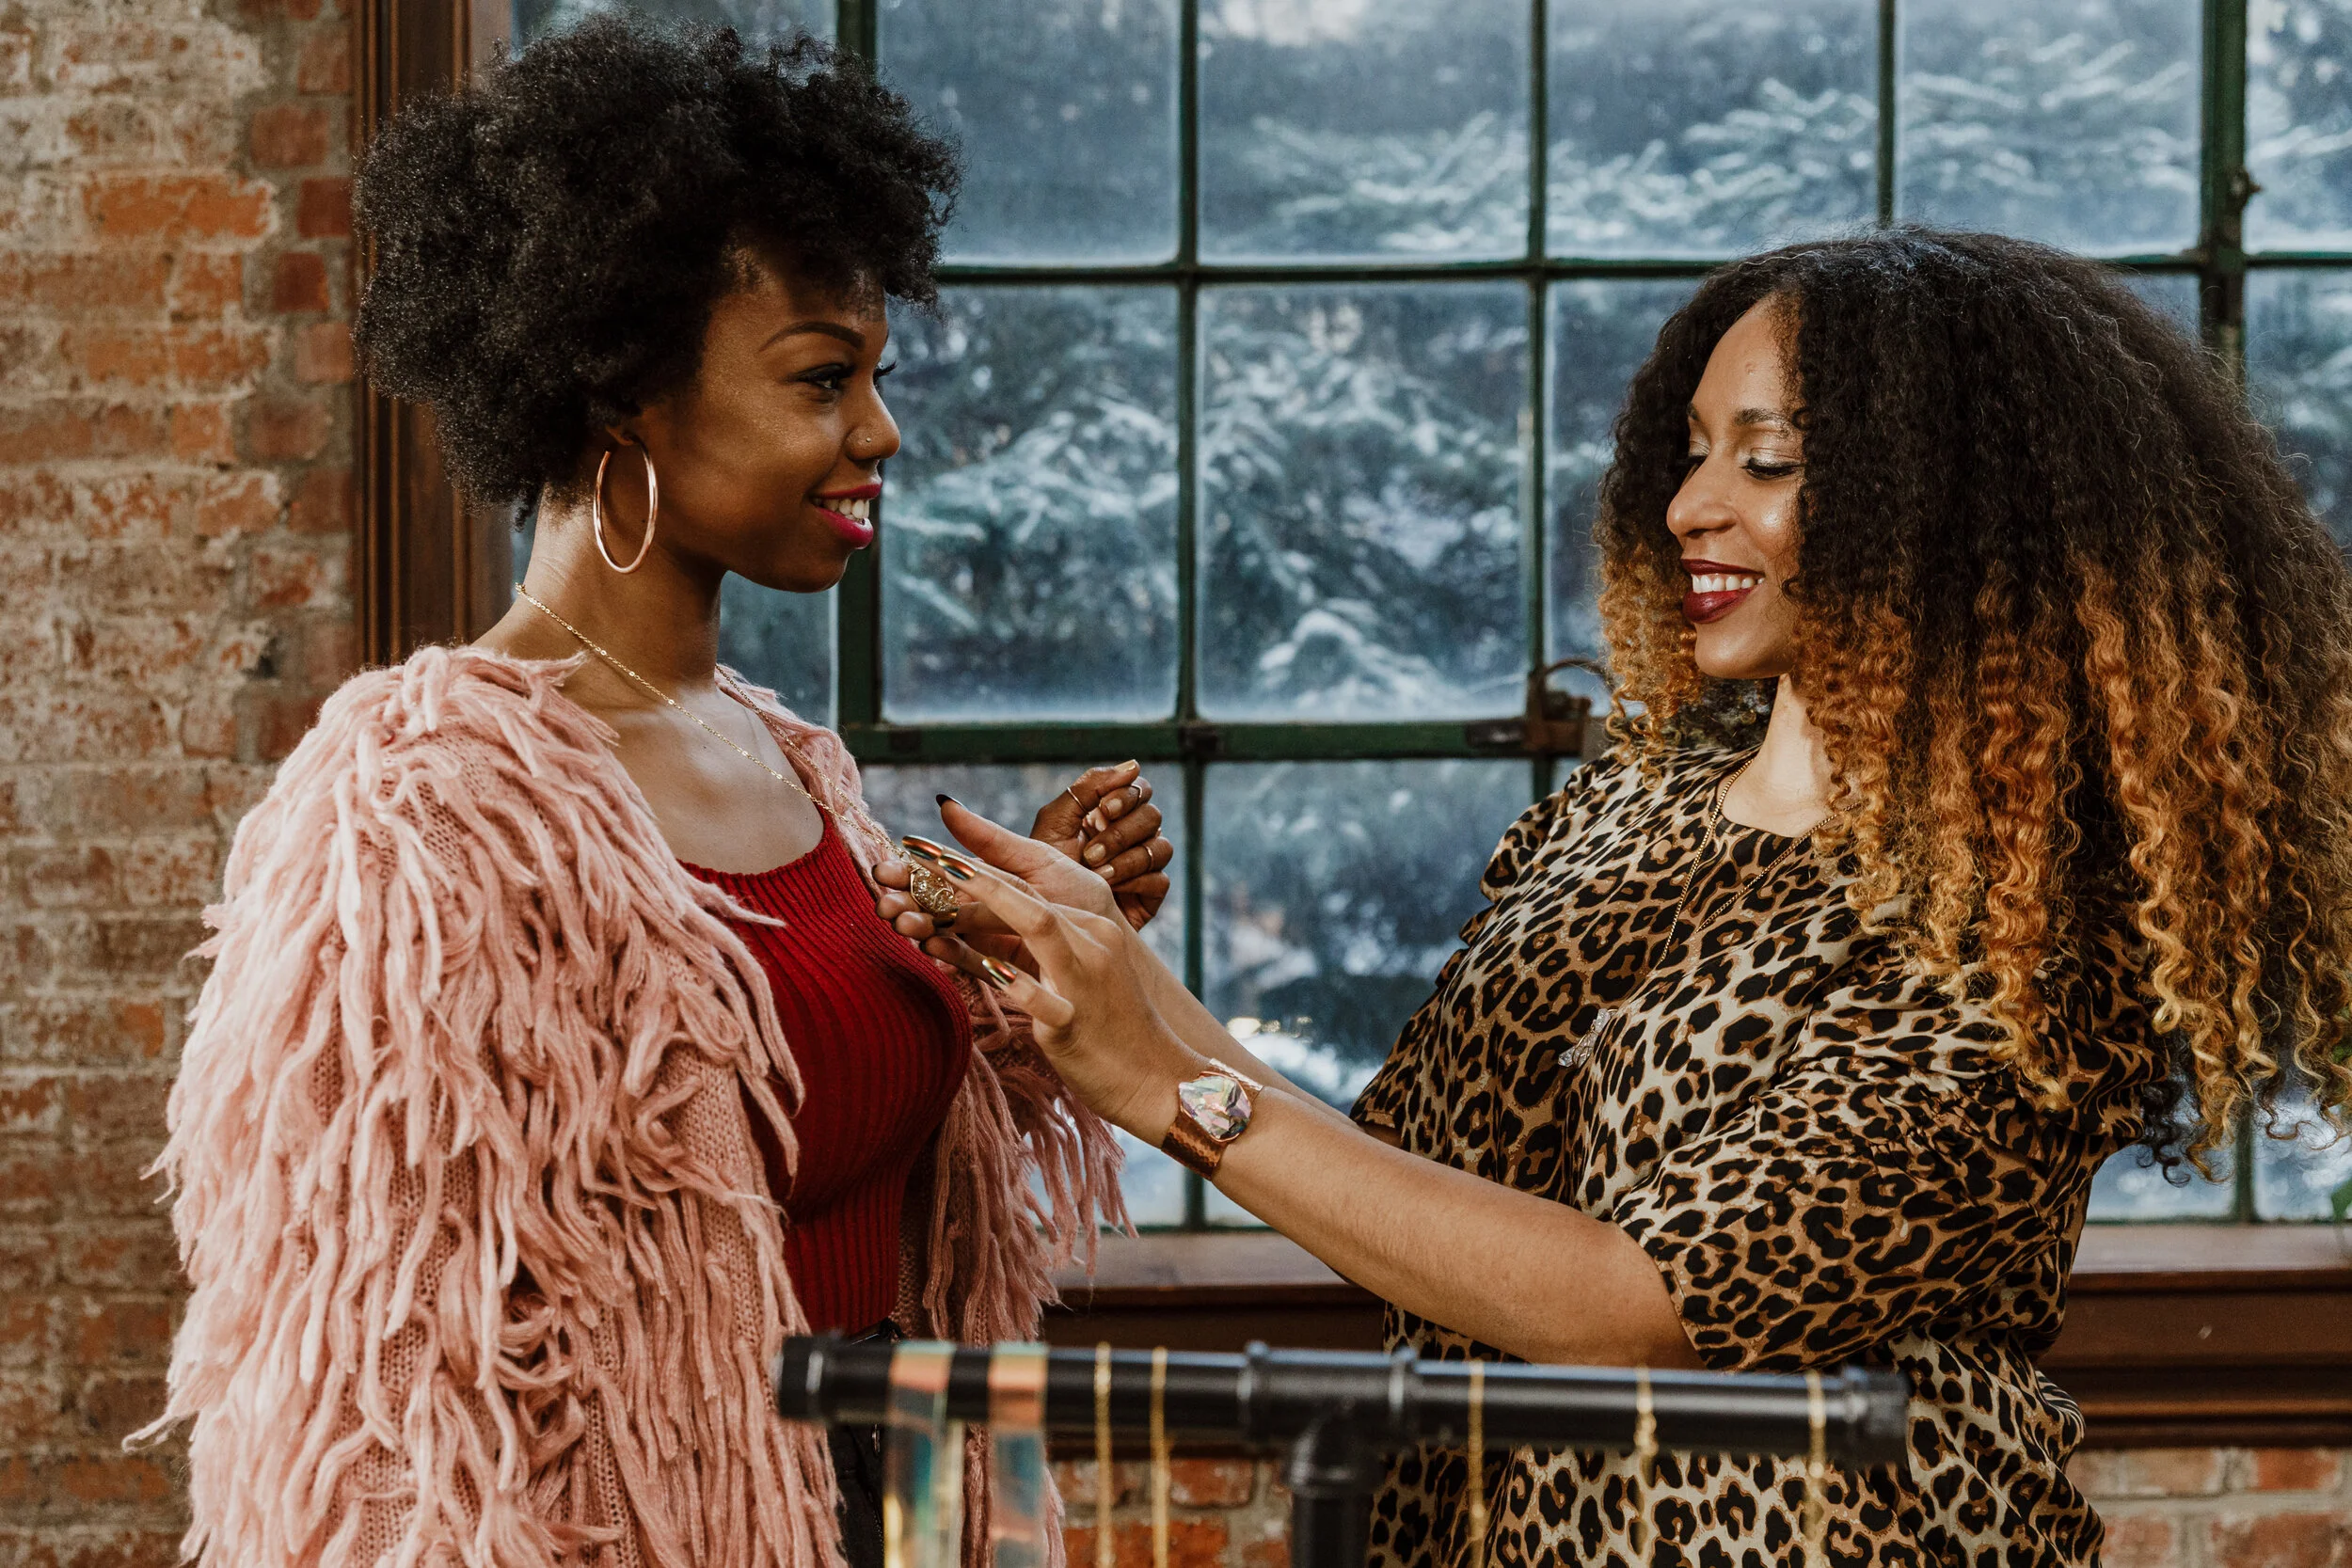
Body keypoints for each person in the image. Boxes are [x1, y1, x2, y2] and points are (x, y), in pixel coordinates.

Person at [881, 229, 2352, 1566]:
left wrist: (1161, 1082)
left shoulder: (2033, 929)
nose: (1689, 504)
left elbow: (1633, 1303)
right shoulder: (1636, 803)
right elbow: (1409, 1186)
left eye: (1765, 461)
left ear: (1944, 510)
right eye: (1694, 449)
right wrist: (1117, 980)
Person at [137, 17, 1171, 1568]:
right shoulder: (420, 811)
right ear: (623, 388)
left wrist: (1023, 976)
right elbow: (386, 1390)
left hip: (919, 1512)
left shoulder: (782, 750)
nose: (879, 433)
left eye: (877, 376)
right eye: (825, 379)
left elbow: (840, 1149)